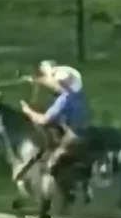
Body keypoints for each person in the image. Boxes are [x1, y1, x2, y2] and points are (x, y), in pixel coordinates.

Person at [20, 59, 96, 203]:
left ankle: (64, 193)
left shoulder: (63, 100)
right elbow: (54, 84)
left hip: (74, 135)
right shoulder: (78, 92)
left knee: (52, 163)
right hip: (84, 129)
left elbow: (44, 120)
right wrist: (36, 80)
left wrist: (28, 111)